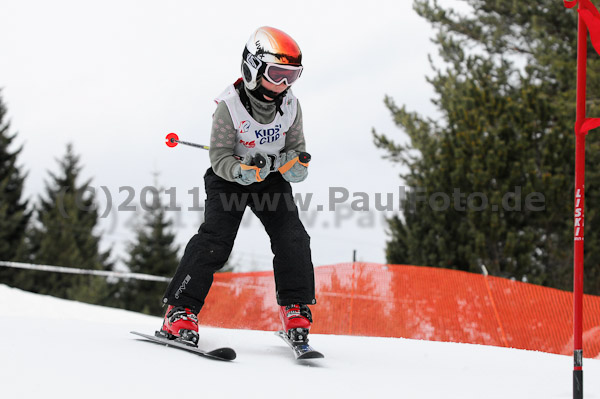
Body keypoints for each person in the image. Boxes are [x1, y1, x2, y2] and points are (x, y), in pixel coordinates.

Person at [158, 26, 316, 346]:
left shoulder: (291, 106)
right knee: (216, 239)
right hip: (228, 181)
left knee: (292, 236)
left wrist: (295, 167)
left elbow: (296, 149)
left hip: (270, 181)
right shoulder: (228, 106)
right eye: (277, 73)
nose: (283, 84)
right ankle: (180, 311)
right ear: (253, 67)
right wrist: (242, 172)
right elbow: (219, 159)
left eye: (292, 76)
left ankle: (294, 308)